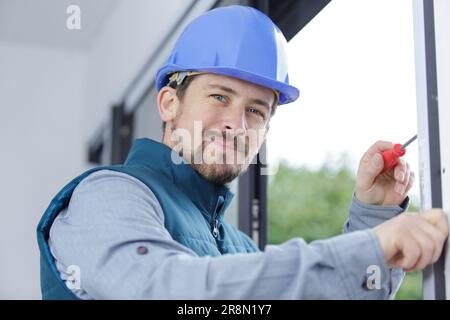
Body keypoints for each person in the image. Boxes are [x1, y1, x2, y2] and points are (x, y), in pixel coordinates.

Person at [37, 5, 448, 300]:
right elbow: (168, 292)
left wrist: (372, 217)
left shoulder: (236, 247)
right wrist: (372, 245)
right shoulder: (109, 196)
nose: (237, 124)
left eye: (255, 111)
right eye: (219, 96)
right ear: (168, 103)